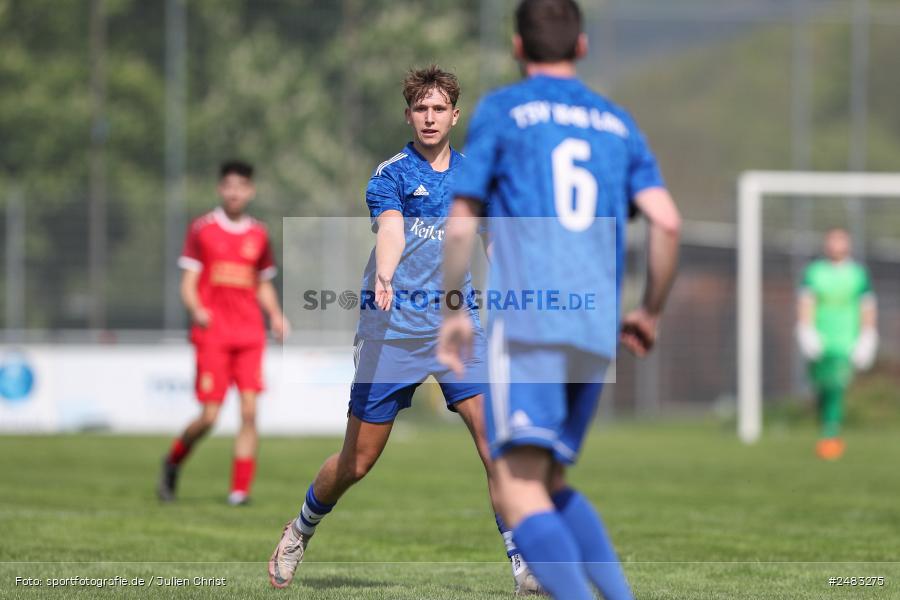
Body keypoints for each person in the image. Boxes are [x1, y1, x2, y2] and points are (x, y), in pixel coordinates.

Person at [438, 1, 681, 598]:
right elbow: (666, 223)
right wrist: (648, 310)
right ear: (582, 46)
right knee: (547, 480)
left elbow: (462, 218)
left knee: (516, 487)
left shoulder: (503, 110)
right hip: (594, 325)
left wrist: (450, 310)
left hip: (529, 320)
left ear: (518, 47)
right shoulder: (617, 123)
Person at [267, 66, 539, 594]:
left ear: (455, 115)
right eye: (421, 108)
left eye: (439, 109)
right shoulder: (390, 173)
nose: (430, 117)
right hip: (391, 331)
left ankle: (523, 564)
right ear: (409, 115)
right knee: (357, 462)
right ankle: (301, 528)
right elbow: (390, 227)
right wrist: (387, 270)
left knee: (494, 446)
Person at [157, 160, 288, 506]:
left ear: (250, 191)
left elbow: (262, 284)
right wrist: (196, 308)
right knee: (209, 417)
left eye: (241, 186)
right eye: (228, 185)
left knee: (248, 413)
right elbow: (188, 283)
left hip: (248, 335)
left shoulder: (259, 233)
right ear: (221, 188)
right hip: (213, 334)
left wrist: (275, 314)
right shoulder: (202, 229)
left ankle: (239, 491)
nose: (234, 192)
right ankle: (173, 460)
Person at [796, 227, 877, 460]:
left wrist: (867, 335)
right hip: (822, 339)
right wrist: (806, 330)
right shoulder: (814, 272)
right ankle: (827, 426)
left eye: (840, 240)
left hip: (846, 340)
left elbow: (867, 305)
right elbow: (806, 302)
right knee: (822, 386)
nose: (836, 245)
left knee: (836, 386)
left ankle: (830, 435)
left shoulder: (858, 274)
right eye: (832, 240)